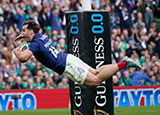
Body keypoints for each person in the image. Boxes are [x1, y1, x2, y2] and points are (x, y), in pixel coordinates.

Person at [13, 20, 142, 86]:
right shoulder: (40, 37)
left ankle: (124, 64)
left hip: (66, 66)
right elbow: (32, 43)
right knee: (96, 71)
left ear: (31, 32)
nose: (22, 33)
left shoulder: (35, 43)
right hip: (68, 58)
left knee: (96, 81)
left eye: (24, 30)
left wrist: (15, 50)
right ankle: (123, 62)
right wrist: (25, 39)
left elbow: (23, 58)